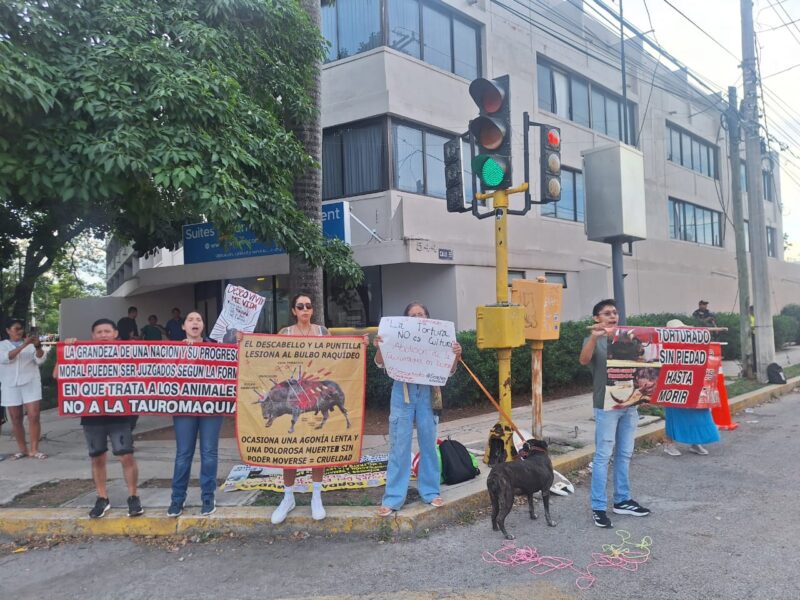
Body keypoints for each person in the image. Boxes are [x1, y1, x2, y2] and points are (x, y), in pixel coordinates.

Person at [374, 302, 462, 517]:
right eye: (412, 315)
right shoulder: (397, 335)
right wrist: (380, 348)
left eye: (420, 314)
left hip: (429, 392)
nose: (416, 318)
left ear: (427, 318)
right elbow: (379, 363)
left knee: (429, 442)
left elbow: (449, 371)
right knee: (399, 444)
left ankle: (431, 492)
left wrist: (456, 355)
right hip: (401, 392)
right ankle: (393, 498)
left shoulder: (439, 337)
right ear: (405, 319)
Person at [57, 319, 143, 518]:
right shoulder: (81, 353)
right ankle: (102, 498)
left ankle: (133, 497)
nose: (103, 335)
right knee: (97, 457)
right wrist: (67, 353)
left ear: (115, 334)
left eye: (107, 331)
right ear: (92, 335)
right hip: (92, 412)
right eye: (99, 332)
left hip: (120, 411)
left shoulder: (127, 353)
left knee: (126, 455)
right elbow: (58, 375)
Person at [579, 299, 650, 528]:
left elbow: (641, 368)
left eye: (615, 312)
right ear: (596, 318)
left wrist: (644, 395)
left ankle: (622, 500)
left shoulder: (628, 338)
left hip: (629, 405)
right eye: (607, 313)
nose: (613, 316)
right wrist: (593, 337)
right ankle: (598, 506)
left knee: (625, 453)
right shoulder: (595, 340)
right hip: (606, 407)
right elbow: (583, 360)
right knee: (603, 456)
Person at [270, 292, 330, 524]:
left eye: (308, 306)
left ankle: (316, 495)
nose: (305, 309)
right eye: (300, 306)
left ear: (312, 310)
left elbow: (339, 358)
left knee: (318, 445)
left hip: (316, 395)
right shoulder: (284, 334)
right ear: (294, 311)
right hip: (291, 397)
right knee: (289, 446)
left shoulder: (323, 333)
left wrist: (360, 345)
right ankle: (288, 497)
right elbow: (269, 359)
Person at [167, 311, 224, 517]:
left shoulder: (215, 348)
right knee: (183, 454)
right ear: (183, 327)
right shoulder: (174, 350)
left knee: (209, 452)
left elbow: (231, 366)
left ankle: (208, 496)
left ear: (203, 326)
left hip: (211, 407)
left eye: (199, 319)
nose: (195, 322)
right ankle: (177, 499)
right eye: (190, 319)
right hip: (185, 408)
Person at [662, 319, 721, 457]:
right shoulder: (665, 345)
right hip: (673, 384)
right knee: (674, 415)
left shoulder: (694, 344)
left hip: (693, 384)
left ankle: (696, 442)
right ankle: (669, 444)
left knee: (699, 413)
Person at [0, 318, 48, 460]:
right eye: (16, 329)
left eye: (21, 328)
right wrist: (23, 345)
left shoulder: (31, 344)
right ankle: (23, 449)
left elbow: (40, 360)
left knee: (34, 415)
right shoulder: (2, 345)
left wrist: (38, 346)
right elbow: (6, 358)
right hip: (10, 384)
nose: (19, 331)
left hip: (30, 382)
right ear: (8, 330)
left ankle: (34, 449)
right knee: (15, 418)